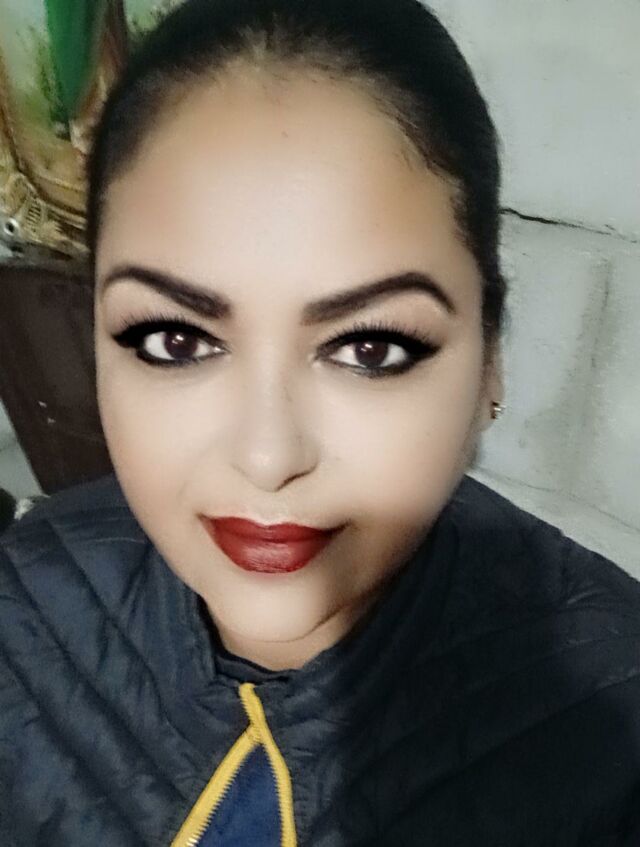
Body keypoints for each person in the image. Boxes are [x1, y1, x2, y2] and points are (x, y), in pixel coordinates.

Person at [1, 0, 639, 844]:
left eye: (370, 348)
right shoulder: (23, 600)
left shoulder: (611, 711)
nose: (269, 457)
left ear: (490, 358)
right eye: (176, 339)